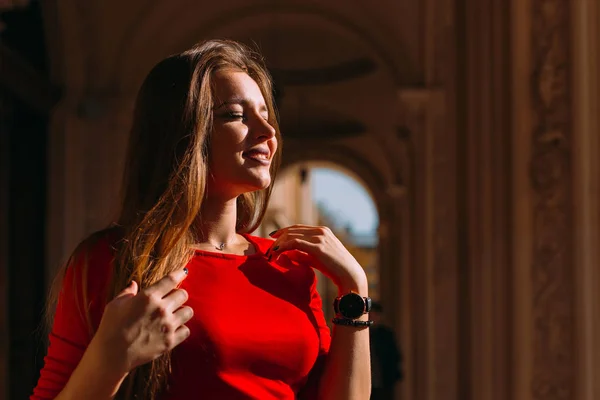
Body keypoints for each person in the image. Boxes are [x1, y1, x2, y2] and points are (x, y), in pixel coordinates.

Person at [31, 39, 372, 400]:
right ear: (182, 133)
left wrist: (354, 289)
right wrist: (109, 361)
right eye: (235, 115)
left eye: (265, 115)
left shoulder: (289, 267)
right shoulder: (109, 258)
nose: (267, 132)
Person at [369, 302, 402, 400]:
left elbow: (394, 355)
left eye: (375, 314)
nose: (372, 317)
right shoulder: (362, 333)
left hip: (384, 379)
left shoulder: (386, 334)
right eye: (370, 314)